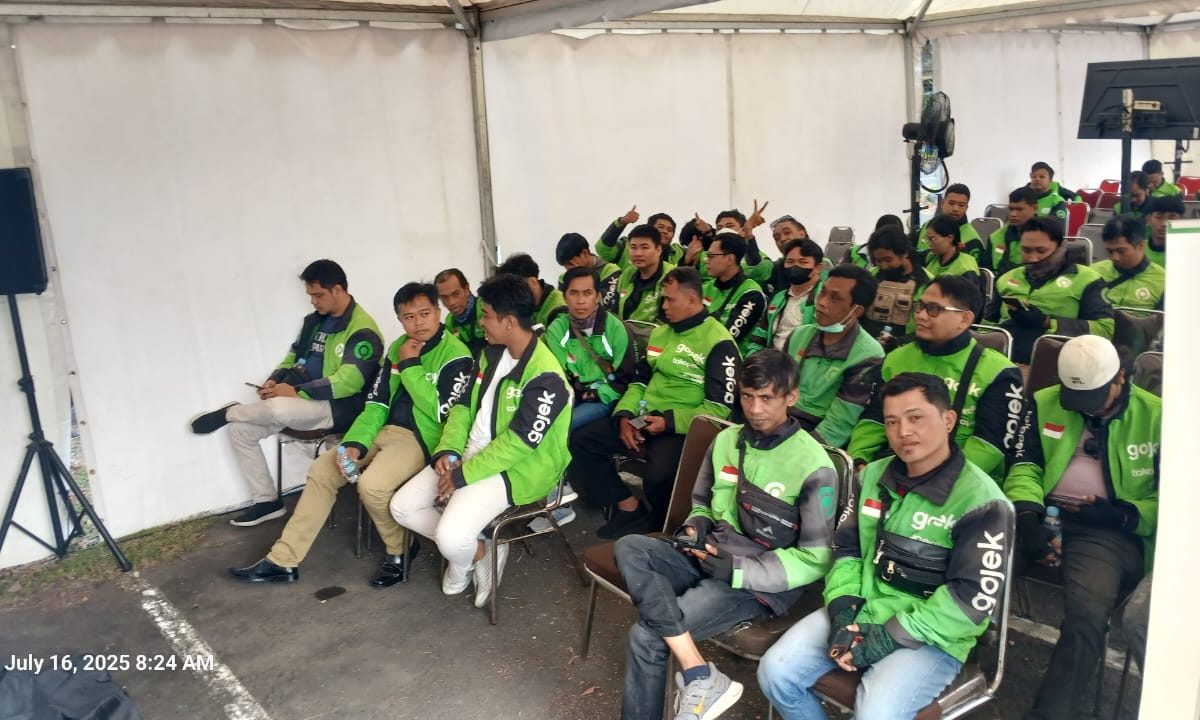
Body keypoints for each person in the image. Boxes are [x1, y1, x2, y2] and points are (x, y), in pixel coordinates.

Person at [758, 373, 1014, 720]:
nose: (903, 431)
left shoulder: (983, 503)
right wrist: (843, 609)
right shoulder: (871, 476)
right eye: (892, 422)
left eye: (916, 417)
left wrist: (889, 636)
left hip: (934, 635)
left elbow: (969, 600)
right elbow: (847, 551)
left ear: (949, 420)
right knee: (776, 672)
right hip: (864, 605)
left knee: (875, 714)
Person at [614, 350, 838, 720]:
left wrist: (736, 571)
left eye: (766, 398)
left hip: (754, 583)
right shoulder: (727, 441)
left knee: (648, 636)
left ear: (791, 397)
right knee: (631, 547)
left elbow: (815, 559)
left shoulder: (813, 465)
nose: (755, 409)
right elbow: (703, 503)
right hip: (707, 554)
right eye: (747, 396)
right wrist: (696, 526)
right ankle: (700, 673)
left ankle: (697, 676)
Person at [227, 283, 473, 585]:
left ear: (438, 312)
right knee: (322, 469)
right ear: (399, 319)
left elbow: (441, 411)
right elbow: (377, 403)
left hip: (422, 438)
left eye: (425, 314)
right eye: (409, 317)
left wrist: (409, 366)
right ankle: (283, 560)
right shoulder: (398, 347)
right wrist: (356, 443)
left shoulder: (456, 354)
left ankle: (401, 550)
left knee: (372, 486)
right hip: (382, 430)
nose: (418, 323)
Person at [389, 274, 572, 609]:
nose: (480, 322)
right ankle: (482, 550)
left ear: (509, 322)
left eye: (486, 315)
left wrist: (461, 475)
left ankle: (464, 551)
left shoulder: (546, 376)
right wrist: (449, 451)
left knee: (449, 537)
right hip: (471, 454)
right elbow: (462, 407)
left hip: (518, 469)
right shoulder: (490, 355)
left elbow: (518, 444)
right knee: (402, 507)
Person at [1004, 335, 1160, 720]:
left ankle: (1049, 715)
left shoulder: (1158, 417)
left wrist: (1124, 515)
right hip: (1041, 511)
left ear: (1119, 377)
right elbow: (1025, 464)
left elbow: (1177, 500)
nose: (1084, 409)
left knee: (1087, 615)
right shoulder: (1045, 401)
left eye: (1093, 398)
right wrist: (1026, 515)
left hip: (1108, 528)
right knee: (973, 572)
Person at [190, 260, 383, 526]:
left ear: (338, 290)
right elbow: (294, 356)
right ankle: (267, 501)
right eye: (310, 295)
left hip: (340, 408)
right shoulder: (314, 322)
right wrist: (275, 380)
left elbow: (348, 383)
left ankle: (230, 411)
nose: (313, 301)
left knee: (278, 408)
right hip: (303, 403)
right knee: (240, 431)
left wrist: (294, 392)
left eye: (318, 295)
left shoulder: (363, 330)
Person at [567, 267, 740, 537]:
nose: (663, 306)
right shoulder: (660, 334)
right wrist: (625, 416)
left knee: (659, 476)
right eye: (662, 298)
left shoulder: (719, 343)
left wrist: (668, 422)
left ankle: (661, 530)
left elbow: (718, 410)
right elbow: (639, 382)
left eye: (670, 300)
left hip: (682, 427)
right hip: (644, 416)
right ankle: (629, 508)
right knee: (582, 441)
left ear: (692, 300)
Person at [848, 275, 1025, 483]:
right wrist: (859, 460)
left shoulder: (999, 372)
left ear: (965, 319)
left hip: (962, 480)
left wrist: (934, 480)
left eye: (933, 309)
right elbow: (875, 418)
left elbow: (989, 446)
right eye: (920, 306)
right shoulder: (896, 358)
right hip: (893, 469)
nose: (921, 315)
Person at [540, 266, 638, 530]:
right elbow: (557, 373)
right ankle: (554, 491)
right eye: (574, 293)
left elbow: (624, 379)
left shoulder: (615, 329)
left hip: (607, 398)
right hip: (573, 396)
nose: (580, 300)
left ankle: (560, 501)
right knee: (541, 422)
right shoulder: (558, 327)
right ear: (564, 296)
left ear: (598, 296)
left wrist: (594, 392)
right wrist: (577, 391)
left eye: (587, 293)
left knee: (559, 427)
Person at [783, 264, 884, 448]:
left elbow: (837, 427)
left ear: (856, 311)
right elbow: (775, 388)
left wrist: (795, 451)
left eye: (835, 298)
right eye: (823, 292)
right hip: (779, 423)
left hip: (814, 440)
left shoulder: (868, 354)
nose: (822, 302)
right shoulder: (799, 334)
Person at [988, 216, 1114, 363]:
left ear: (1061, 247)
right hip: (1002, 360)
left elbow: (1104, 330)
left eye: (1041, 251)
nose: (1033, 258)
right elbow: (987, 325)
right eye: (1026, 250)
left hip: (1058, 362)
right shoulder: (1006, 279)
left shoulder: (1087, 279)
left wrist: (1047, 322)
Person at [746, 238, 824, 354]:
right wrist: (752, 360)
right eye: (790, 262)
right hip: (771, 361)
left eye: (803, 262)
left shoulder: (826, 298)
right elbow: (759, 338)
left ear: (818, 268)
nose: (795, 266)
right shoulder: (779, 298)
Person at [863, 225, 931, 343]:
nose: (884, 266)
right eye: (878, 261)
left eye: (888, 260)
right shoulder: (871, 276)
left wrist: (899, 342)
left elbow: (931, 325)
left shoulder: (926, 282)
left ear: (904, 253)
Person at [701, 231, 767, 353]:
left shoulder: (752, 294)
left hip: (728, 359)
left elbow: (727, 340)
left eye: (711, 256)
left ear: (730, 259)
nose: (706, 260)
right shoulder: (706, 287)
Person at [1092, 214, 1165, 311]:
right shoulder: (1093, 272)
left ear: (1141, 245)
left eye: (1121, 251)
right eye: (1109, 251)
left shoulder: (1164, 281)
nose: (1115, 258)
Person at [688, 205, 774, 285]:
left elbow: (759, 272)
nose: (724, 230)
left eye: (730, 226)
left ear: (743, 230)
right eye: (719, 227)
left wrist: (749, 233)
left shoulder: (759, 257)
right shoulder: (704, 256)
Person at [616, 223, 676, 323]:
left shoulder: (672, 276)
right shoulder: (628, 274)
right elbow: (614, 310)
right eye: (633, 247)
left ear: (658, 250)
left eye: (644, 248)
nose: (638, 253)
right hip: (622, 330)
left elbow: (666, 322)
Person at [496, 253, 566, 333]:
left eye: (517, 288)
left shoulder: (559, 309)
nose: (515, 295)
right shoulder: (523, 304)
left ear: (533, 282)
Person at [917, 184, 984, 265]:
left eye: (961, 205)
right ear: (942, 203)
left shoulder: (972, 240)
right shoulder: (927, 226)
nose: (955, 209)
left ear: (966, 208)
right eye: (951, 203)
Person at [598, 206, 685, 267]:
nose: (665, 231)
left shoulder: (678, 252)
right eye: (660, 227)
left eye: (669, 230)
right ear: (649, 228)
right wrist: (621, 222)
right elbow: (603, 250)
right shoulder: (626, 246)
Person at [556, 232, 622, 311]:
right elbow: (562, 308)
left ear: (585, 253)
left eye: (571, 263)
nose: (568, 269)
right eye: (565, 266)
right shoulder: (563, 279)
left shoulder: (611, 271)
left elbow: (606, 306)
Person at [990, 187, 1040, 277]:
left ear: (1034, 208)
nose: (1013, 214)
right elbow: (986, 272)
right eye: (1011, 209)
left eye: (1019, 209)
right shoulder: (995, 237)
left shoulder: (1047, 238)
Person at [436, 268, 487, 356]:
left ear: (466, 289)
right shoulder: (449, 321)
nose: (451, 302)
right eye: (445, 297)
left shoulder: (486, 308)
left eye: (456, 294)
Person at [923, 215, 981, 284]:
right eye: (927, 239)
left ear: (950, 238)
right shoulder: (931, 257)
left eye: (932, 239)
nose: (929, 243)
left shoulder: (966, 268)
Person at [766, 215, 810, 292]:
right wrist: (749, 236)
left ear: (802, 234)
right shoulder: (776, 267)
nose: (782, 239)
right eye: (777, 238)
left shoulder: (822, 263)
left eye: (787, 232)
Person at [1144, 194, 1183, 268]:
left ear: (1181, 221)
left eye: (1172, 218)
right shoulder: (1137, 250)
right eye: (1158, 217)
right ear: (1148, 219)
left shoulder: (1187, 252)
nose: (1164, 224)